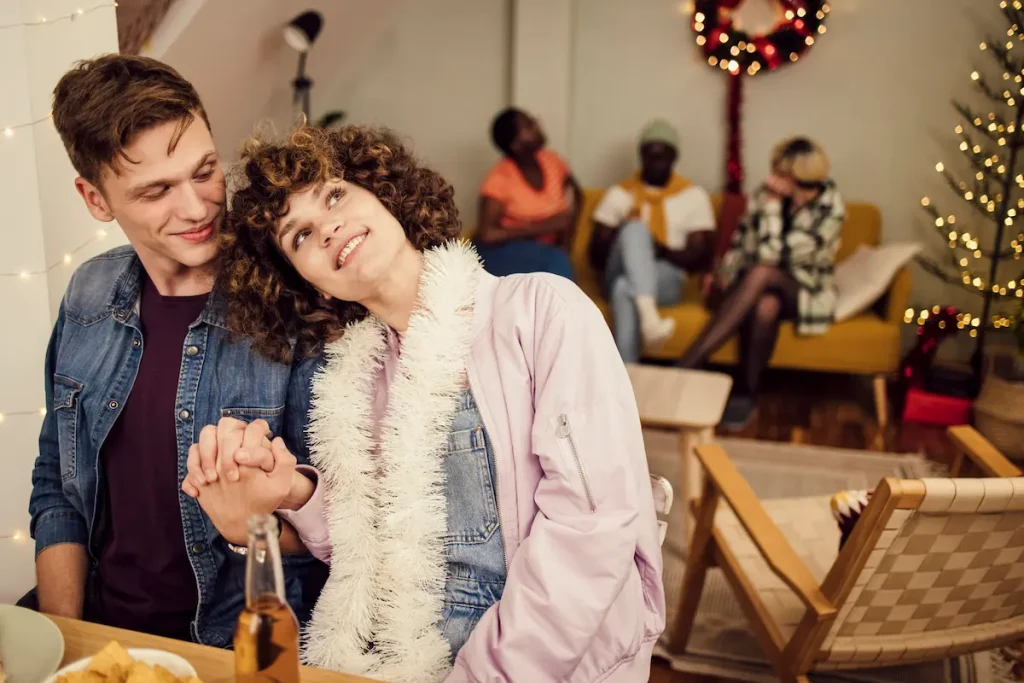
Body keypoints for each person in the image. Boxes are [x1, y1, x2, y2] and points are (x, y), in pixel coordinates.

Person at [181, 124, 664, 683]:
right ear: (308, 283)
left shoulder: (540, 311)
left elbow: (590, 532)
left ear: (385, 195)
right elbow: (383, 554)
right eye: (300, 236)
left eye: (335, 195)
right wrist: (293, 492)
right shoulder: (354, 384)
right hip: (408, 659)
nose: (329, 227)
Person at [26, 54, 325, 646]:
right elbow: (58, 484)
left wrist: (252, 515)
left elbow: (342, 530)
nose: (196, 209)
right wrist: (65, 639)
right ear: (95, 199)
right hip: (100, 635)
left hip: (234, 649)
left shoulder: (295, 299)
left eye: (206, 170)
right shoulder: (88, 290)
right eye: (156, 191)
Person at [678, 137, 844, 428]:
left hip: (805, 290)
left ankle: (686, 365)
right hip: (760, 288)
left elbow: (774, 256)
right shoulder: (765, 195)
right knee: (766, 305)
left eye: (781, 175)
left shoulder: (831, 209)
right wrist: (721, 276)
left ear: (798, 179)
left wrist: (771, 209)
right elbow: (742, 243)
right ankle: (746, 395)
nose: (772, 179)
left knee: (763, 273)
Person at [589, 119, 715, 362]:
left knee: (625, 288)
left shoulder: (692, 196)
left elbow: (698, 258)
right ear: (640, 156)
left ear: (674, 157)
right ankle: (650, 320)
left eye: (663, 156)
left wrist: (659, 251)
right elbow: (595, 256)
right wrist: (621, 234)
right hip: (617, 270)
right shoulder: (620, 193)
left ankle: (626, 374)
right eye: (650, 155)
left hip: (667, 278)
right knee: (634, 229)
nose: (655, 162)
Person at [475, 108, 581, 280]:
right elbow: (487, 234)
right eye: (529, 125)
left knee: (557, 261)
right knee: (556, 263)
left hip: (547, 250)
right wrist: (543, 227)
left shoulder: (552, 161)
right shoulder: (499, 178)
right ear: (516, 145)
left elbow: (577, 195)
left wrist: (566, 240)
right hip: (503, 250)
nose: (537, 125)